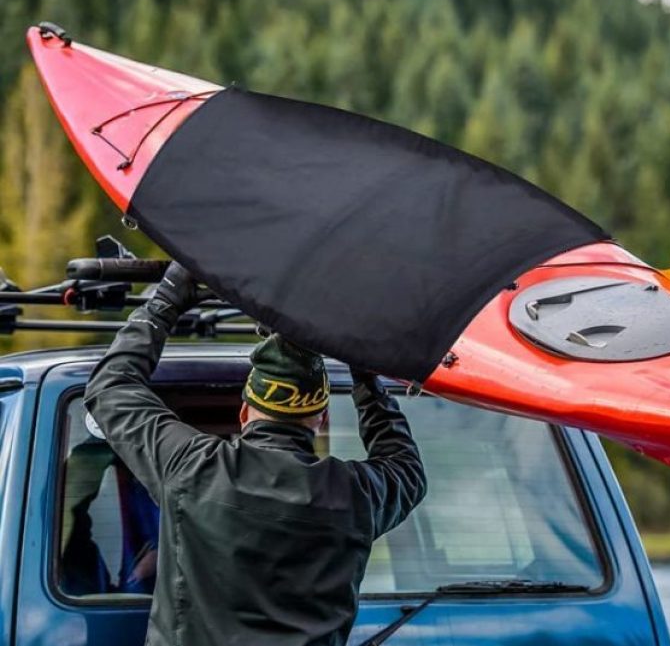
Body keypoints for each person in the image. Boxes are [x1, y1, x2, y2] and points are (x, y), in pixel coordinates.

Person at [85, 262, 427, 646]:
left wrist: (165, 301)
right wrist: (365, 376)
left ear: (244, 411)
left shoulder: (193, 467)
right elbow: (407, 469)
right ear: (321, 419)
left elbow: (110, 387)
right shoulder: (354, 495)